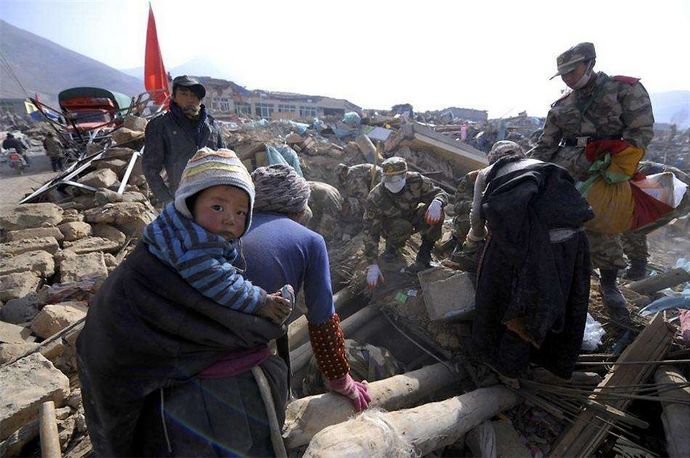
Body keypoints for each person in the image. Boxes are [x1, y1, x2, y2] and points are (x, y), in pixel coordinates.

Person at [77, 148, 295, 456]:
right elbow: (222, 286)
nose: (230, 220)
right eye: (217, 207)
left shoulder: (175, 235)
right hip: (202, 404)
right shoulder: (193, 250)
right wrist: (261, 302)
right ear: (188, 205)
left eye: (240, 213)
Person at [528, 42, 654, 314]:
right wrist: (529, 169)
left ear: (590, 63)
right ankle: (561, 276)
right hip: (567, 171)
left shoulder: (624, 90)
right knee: (555, 221)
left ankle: (609, 285)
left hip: (607, 169)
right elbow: (546, 145)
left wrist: (617, 165)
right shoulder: (561, 106)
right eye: (562, 74)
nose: (567, 78)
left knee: (603, 225)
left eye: (572, 71)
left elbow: (641, 132)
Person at [243, 164, 371, 411]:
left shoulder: (229, 223)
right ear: (299, 206)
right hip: (242, 352)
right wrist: (340, 379)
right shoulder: (312, 241)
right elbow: (322, 319)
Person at [468, 141, 594, 384]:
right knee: (553, 299)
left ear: (493, 159)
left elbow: (477, 216)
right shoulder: (547, 167)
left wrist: (474, 239)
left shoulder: (488, 173)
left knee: (524, 302)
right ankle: (544, 357)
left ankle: (507, 368)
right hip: (573, 244)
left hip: (537, 246)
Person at [363, 156, 448, 286]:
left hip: (411, 215)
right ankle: (392, 250)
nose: (392, 184)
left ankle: (425, 254)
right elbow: (370, 232)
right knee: (402, 226)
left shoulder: (416, 181)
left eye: (396, 180)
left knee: (438, 213)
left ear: (405, 175)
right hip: (391, 225)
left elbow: (440, 193)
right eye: (389, 180)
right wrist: (372, 264)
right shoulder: (376, 197)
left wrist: (437, 202)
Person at [143, 75, 225, 205]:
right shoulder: (160, 126)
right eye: (184, 94)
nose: (190, 99)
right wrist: (167, 200)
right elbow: (150, 169)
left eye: (194, 95)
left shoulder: (212, 126)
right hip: (180, 199)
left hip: (212, 199)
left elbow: (225, 161)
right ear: (174, 97)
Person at [621, 161, 690, 280]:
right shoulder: (630, 165)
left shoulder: (624, 168)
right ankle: (637, 268)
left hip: (673, 194)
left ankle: (637, 270)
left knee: (631, 227)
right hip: (677, 194)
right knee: (632, 227)